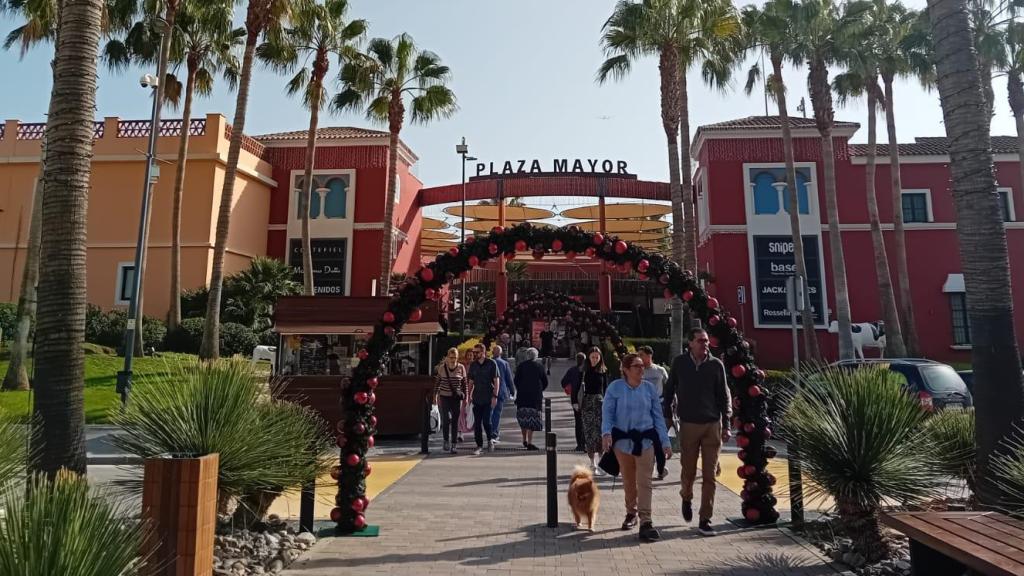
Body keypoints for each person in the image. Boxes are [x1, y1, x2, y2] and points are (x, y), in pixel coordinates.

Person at [664, 328, 732, 537]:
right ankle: (686, 497)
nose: (705, 344)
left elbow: (724, 395)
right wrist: (667, 416)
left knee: (710, 475)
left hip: (712, 424)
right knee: (689, 471)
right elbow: (669, 390)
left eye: (706, 341)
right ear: (691, 343)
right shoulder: (680, 363)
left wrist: (727, 424)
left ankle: (705, 519)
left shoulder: (716, 365)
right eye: (700, 340)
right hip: (689, 424)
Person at [602, 353, 672, 541]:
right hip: (622, 443)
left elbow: (658, 418)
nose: (642, 369)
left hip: (645, 442)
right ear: (626, 369)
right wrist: (606, 433)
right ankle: (631, 512)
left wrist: (665, 442)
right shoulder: (615, 388)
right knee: (629, 481)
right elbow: (607, 413)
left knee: (644, 481)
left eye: (642, 366)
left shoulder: (649, 389)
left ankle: (646, 521)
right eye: (637, 366)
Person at [638, 345, 670, 480]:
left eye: (641, 355)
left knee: (658, 438)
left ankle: (661, 468)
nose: (639, 357)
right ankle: (646, 467)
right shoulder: (638, 371)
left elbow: (669, 387)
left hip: (658, 407)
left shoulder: (660, 370)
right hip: (642, 408)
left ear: (649, 355)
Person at [579, 346, 609, 473]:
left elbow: (606, 389)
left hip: (600, 404)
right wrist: (575, 402)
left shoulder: (603, 371)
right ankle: (592, 462)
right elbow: (577, 387)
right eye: (593, 357)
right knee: (589, 433)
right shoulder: (583, 370)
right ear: (588, 357)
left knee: (600, 432)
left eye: (597, 357)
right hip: (587, 404)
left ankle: (601, 461)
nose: (595, 359)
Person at [467, 343, 500, 455]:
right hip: (477, 398)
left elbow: (496, 381)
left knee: (486, 421)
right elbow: (471, 381)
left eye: (477, 352)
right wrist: (468, 396)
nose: (474, 354)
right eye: (474, 352)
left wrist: (495, 396)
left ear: (483, 352)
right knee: (477, 424)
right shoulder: (473, 365)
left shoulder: (491, 363)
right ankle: (479, 445)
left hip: (488, 397)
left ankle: (490, 440)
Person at [513, 347, 548, 450]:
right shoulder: (539, 366)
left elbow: (516, 380)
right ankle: (530, 442)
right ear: (536, 356)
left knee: (523, 417)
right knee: (531, 418)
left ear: (527, 356)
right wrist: (540, 389)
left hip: (522, 396)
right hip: (534, 397)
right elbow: (545, 381)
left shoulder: (521, 366)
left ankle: (524, 439)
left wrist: (520, 388)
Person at [433, 347, 467, 454]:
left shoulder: (461, 368)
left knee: (455, 421)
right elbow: (437, 383)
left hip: (456, 398)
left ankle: (454, 444)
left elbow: (464, 384)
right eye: (451, 357)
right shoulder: (442, 368)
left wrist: (466, 398)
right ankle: (446, 440)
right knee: (446, 419)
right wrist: (435, 396)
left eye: (455, 357)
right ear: (447, 357)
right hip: (444, 396)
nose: (453, 360)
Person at [562, 352, 587, 452]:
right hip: (587, 399)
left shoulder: (572, 370)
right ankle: (586, 443)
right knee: (587, 421)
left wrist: (570, 387)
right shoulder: (588, 370)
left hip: (575, 400)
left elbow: (563, 382)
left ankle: (580, 445)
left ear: (576, 360)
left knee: (578, 422)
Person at [491, 345, 515, 443]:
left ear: (492, 352)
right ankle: (494, 434)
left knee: (490, 413)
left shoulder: (489, 362)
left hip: (489, 391)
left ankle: (490, 432)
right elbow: (509, 378)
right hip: (501, 391)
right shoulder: (504, 363)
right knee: (497, 413)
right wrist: (512, 391)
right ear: (500, 353)